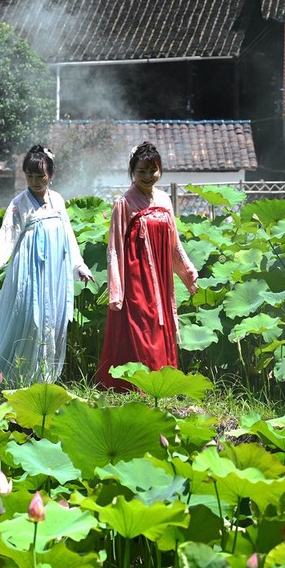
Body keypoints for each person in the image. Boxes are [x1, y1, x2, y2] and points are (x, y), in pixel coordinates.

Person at [0, 145, 94, 386]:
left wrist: (78, 265)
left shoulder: (58, 200)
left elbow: (68, 236)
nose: (36, 181)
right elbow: (5, 240)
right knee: (30, 320)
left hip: (55, 274)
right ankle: (12, 379)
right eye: (30, 176)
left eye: (41, 176)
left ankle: (43, 379)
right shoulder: (19, 204)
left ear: (51, 174)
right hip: (29, 273)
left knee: (53, 322)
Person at [95, 142, 199, 392]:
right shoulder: (124, 203)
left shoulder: (164, 199)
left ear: (160, 170)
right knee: (143, 327)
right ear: (133, 171)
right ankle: (136, 386)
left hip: (161, 279)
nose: (147, 177)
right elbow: (115, 247)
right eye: (141, 171)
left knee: (162, 325)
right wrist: (117, 288)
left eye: (153, 171)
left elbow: (174, 243)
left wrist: (187, 272)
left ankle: (162, 385)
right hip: (136, 278)